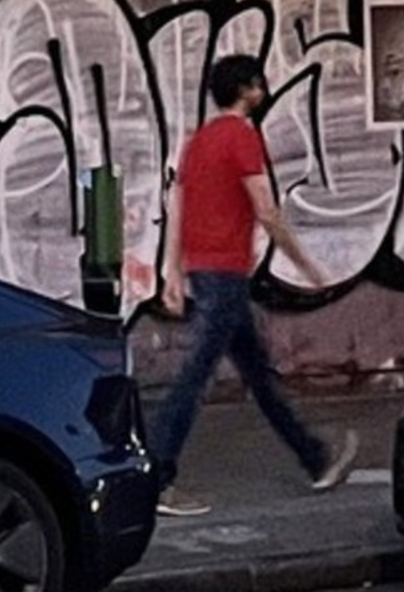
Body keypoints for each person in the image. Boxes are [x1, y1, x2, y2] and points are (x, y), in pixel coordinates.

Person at [142, 54, 353, 507]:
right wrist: (306, 265)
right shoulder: (242, 137)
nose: (264, 89)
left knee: (259, 375)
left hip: (209, 273)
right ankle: (156, 477)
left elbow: (177, 207)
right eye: (258, 83)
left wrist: (173, 271)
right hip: (225, 276)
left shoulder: (197, 142)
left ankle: (315, 459)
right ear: (246, 89)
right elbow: (267, 210)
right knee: (195, 376)